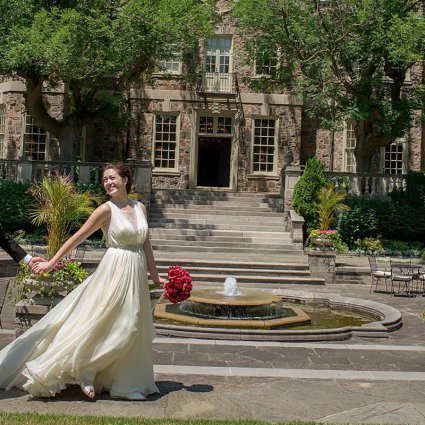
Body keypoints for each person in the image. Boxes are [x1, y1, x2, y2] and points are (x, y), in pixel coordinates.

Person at [0, 163, 166, 400]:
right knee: (124, 325)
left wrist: (156, 277)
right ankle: (86, 369)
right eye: (105, 179)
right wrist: (51, 263)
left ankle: (124, 384)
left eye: (112, 178)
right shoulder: (105, 210)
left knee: (133, 326)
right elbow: (77, 238)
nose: (108, 182)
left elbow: (146, 245)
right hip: (115, 272)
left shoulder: (140, 207)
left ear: (125, 180)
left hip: (136, 273)